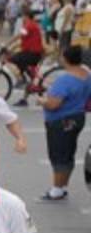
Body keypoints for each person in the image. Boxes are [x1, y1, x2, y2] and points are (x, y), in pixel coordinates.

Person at [39, 46, 90, 201]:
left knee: (58, 154)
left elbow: (53, 104)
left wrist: (42, 100)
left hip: (61, 120)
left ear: (65, 58)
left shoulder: (65, 80)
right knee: (68, 153)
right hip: (78, 117)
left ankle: (57, 189)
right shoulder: (86, 73)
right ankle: (62, 186)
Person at [4, 10, 45, 105]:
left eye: (23, 16)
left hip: (32, 54)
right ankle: (24, 99)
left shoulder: (29, 25)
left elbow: (18, 36)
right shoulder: (31, 25)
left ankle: (21, 80)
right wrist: (10, 48)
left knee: (9, 60)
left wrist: (6, 45)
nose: (22, 18)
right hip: (31, 53)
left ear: (26, 16)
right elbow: (22, 41)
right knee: (29, 76)